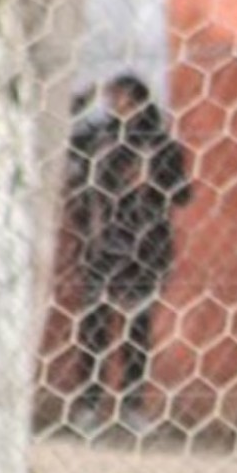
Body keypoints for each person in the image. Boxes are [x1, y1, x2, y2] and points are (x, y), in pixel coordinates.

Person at [64, 73, 191, 436]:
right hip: (101, 245)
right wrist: (76, 104)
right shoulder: (98, 138)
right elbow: (65, 145)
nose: (108, 103)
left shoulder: (161, 144)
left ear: (133, 100)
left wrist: (152, 183)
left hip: (146, 248)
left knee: (137, 328)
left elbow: (183, 194)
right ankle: (89, 405)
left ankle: (133, 407)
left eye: (114, 96)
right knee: (94, 328)